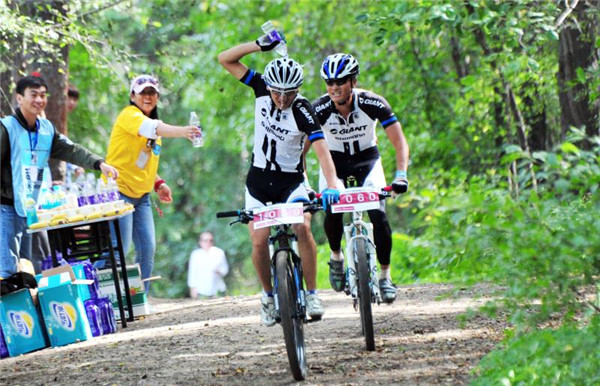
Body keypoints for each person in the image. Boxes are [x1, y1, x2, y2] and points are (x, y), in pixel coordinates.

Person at [218, 34, 340, 327]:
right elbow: (226, 58)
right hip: (258, 182)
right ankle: (268, 296)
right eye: (277, 93)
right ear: (268, 87)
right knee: (259, 242)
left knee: (301, 226)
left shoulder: (303, 110)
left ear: (298, 90)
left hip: (291, 183)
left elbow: (322, 150)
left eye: (290, 93)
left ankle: (311, 294)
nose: (282, 99)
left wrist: (332, 185)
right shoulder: (260, 87)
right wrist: (260, 46)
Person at [311, 53, 410, 303]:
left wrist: (401, 176)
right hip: (334, 165)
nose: (334, 88)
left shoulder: (373, 102)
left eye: (340, 81)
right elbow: (300, 150)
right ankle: (336, 258)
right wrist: (303, 184)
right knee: (331, 208)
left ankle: (385, 276)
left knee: (378, 214)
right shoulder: (318, 109)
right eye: (329, 82)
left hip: (368, 161)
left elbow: (399, 141)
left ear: (353, 81)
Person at [0, 75, 119, 279]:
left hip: (29, 207)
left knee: (25, 266)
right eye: (33, 95)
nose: (39, 100)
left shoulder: (46, 129)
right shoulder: (6, 128)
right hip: (5, 206)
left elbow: (72, 150)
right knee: (6, 269)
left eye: (43, 95)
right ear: (19, 98)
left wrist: (99, 163)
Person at [105, 74, 200, 292]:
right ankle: (107, 297)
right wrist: (184, 131)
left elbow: (144, 161)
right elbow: (154, 127)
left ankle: (141, 298)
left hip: (142, 196)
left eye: (152, 93)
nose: (147, 97)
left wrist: (159, 184)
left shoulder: (154, 129)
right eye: (143, 93)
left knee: (147, 248)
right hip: (119, 192)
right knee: (119, 249)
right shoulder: (130, 115)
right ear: (132, 96)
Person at [187, 231, 229, 298]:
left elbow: (225, 269)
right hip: (201, 291)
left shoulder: (219, 253)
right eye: (205, 240)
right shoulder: (195, 254)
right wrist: (192, 288)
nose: (208, 243)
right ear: (200, 242)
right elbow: (192, 273)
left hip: (218, 290)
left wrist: (219, 271)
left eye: (211, 240)